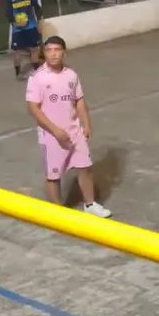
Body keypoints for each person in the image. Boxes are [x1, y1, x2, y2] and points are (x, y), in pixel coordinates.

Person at [25, 36, 112, 218]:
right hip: (51, 135)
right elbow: (33, 108)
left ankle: (90, 204)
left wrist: (86, 123)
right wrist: (55, 130)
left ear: (64, 52)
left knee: (85, 166)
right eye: (49, 50)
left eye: (57, 50)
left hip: (74, 131)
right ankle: (59, 212)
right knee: (53, 174)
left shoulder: (71, 75)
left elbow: (79, 101)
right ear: (44, 53)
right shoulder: (37, 78)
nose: (53, 54)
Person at [5, 0, 43, 80]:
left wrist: (39, 21)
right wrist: (14, 21)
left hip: (31, 26)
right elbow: (8, 12)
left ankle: (36, 71)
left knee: (34, 49)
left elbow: (37, 7)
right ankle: (18, 74)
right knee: (17, 51)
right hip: (18, 29)